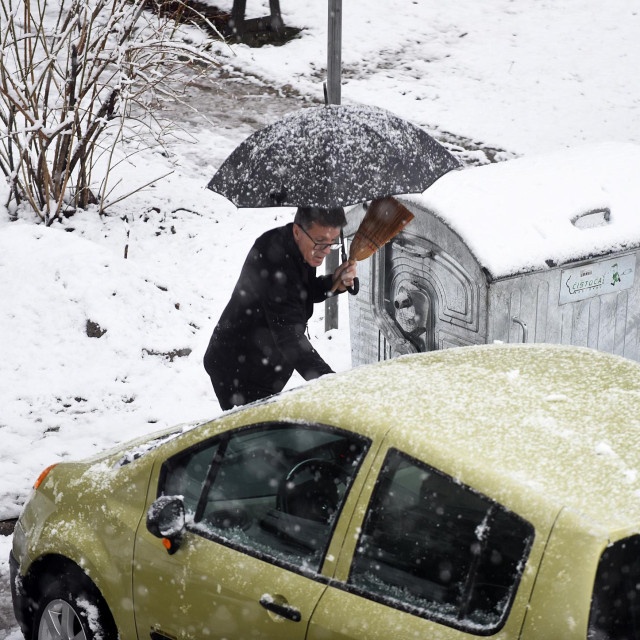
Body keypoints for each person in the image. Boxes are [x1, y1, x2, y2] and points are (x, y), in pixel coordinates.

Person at [204, 206, 357, 410]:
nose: (327, 251)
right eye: (321, 242)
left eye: (332, 242)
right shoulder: (274, 259)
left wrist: (334, 283)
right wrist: (330, 383)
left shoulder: (302, 247)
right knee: (252, 436)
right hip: (240, 367)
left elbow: (302, 292)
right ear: (297, 231)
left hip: (267, 358)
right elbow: (289, 337)